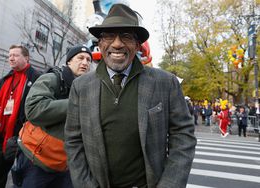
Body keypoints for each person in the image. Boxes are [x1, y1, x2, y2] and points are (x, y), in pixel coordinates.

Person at [64, 4, 196, 188]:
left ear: (137, 45)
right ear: (100, 44)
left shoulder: (166, 83)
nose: (117, 44)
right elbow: (73, 140)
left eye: (126, 36)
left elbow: (183, 136)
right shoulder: (81, 86)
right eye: (109, 36)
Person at [23, 45, 92, 188]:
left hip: (68, 165)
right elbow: (34, 109)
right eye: (80, 58)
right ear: (69, 62)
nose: (85, 63)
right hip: (38, 162)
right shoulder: (52, 78)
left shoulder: (89, 88)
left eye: (88, 60)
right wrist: (75, 104)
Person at [0, 45, 41, 188]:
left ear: (26, 58)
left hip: (24, 137)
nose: (11, 58)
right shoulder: (5, 79)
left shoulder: (37, 78)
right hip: (1, 134)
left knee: (23, 178)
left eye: (15, 55)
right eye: (10, 55)